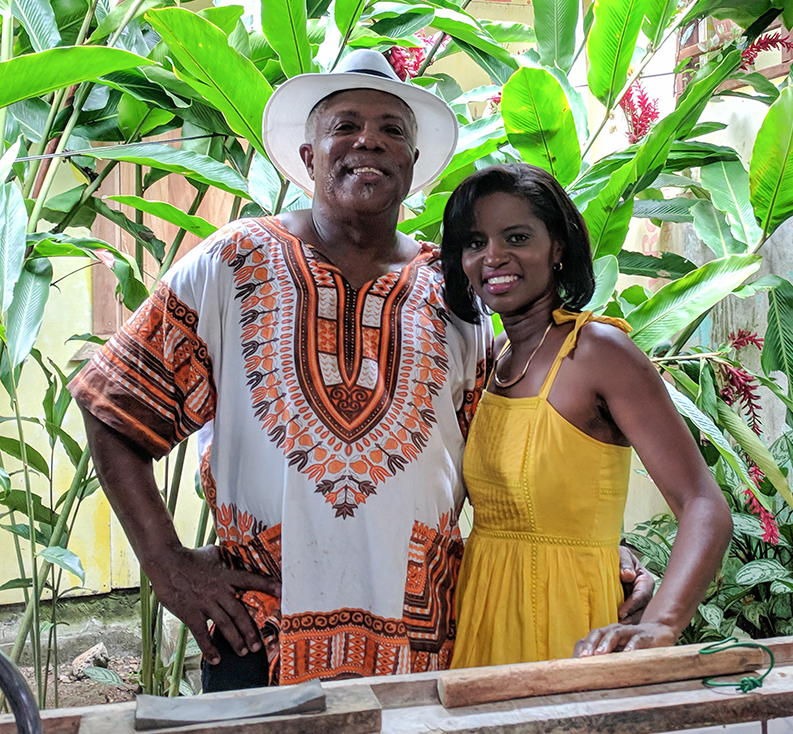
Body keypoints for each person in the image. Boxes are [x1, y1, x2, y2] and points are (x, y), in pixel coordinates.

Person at [70, 50, 654, 691]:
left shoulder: (455, 293)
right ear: (308, 157)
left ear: (411, 166)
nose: (367, 140)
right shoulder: (231, 264)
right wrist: (167, 562)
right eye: (344, 125)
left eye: (391, 130)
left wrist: (606, 554)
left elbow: (501, 464)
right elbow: (112, 404)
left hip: (423, 636)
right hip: (260, 627)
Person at [439, 163, 734, 668]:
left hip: (569, 622)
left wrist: (661, 624)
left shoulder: (599, 351)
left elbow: (703, 506)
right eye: (475, 242)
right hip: (483, 613)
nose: (493, 257)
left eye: (516, 237)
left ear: (557, 248)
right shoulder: (494, 357)